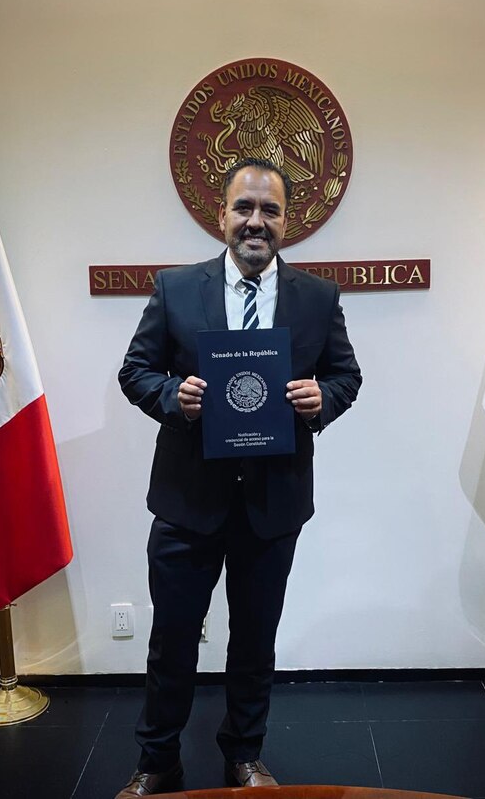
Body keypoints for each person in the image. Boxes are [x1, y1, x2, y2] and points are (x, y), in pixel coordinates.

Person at [116, 157, 361, 797]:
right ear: (221, 215)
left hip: (273, 504)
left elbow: (346, 376)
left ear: (288, 220)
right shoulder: (175, 289)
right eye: (245, 208)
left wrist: (322, 399)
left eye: (270, 211)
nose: (257, 222)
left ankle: (243, 758)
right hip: (186, 501)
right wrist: (174, 395)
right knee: (172, 642)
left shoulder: (317, 297)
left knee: (254, 641)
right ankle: (157, 761)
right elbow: (135, 371)